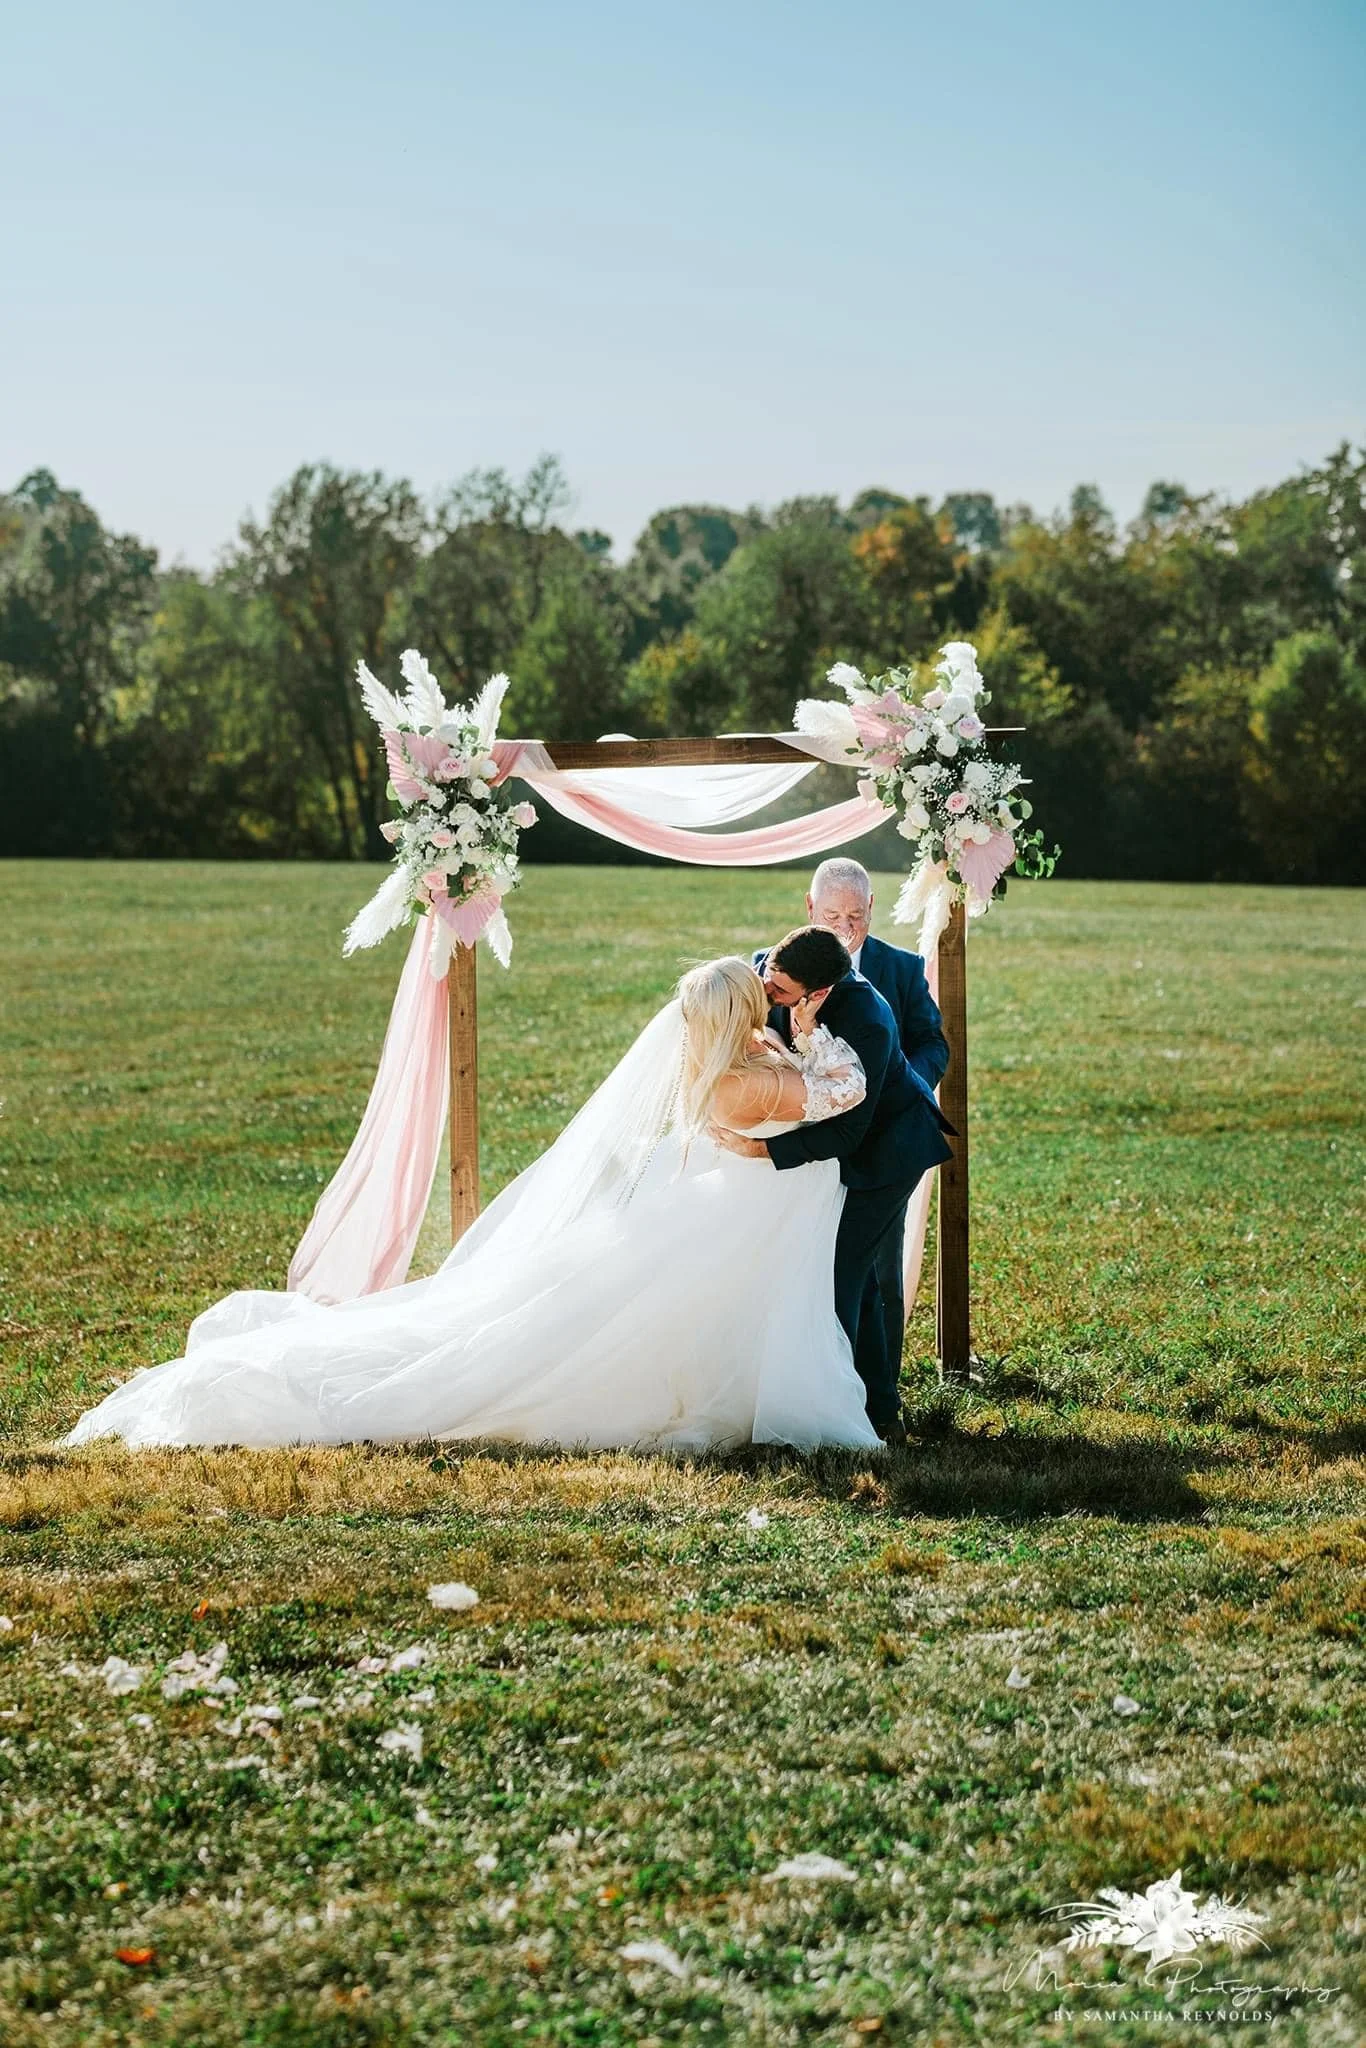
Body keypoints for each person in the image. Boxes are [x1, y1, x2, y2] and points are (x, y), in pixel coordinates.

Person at [61, 958, 885, 1456]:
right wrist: (822, 1026)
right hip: (742, 1220)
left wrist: (784, 1031)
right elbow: (839, 1093)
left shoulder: (725, 1063)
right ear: (744, 1013)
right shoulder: (750, 1082)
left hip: (740, 1216)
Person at [724, 925, 954, 1442]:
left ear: (819, 994)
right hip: (851, 1149)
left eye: (780, 993)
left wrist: (765, 1150)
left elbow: (851, 1130)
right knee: (861, 1280)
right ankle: (880, 1406)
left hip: (890, 1153)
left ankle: (836, 1412)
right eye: (769, 981)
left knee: (840, 1277)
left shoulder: (868, 1022)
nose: (769, 996)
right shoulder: (777, 978)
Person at [799, 858, 950, 1409]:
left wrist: (900, 1084)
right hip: (810, 1141)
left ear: (871, 911)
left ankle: (879, 1400)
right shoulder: (782, 964)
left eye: (856, 916)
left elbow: (934, 1045)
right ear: (810, 908)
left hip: (883, 1145)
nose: (844, 926)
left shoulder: (901, 968)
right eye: (833, 913)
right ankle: (820, 1381)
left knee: (879, 1270)